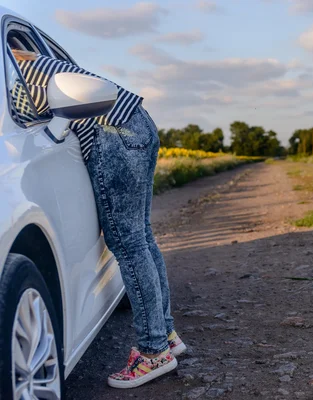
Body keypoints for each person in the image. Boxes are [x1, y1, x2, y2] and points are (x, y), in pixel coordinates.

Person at [10, 48, 187, 389]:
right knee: (140, 236)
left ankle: (154, 352)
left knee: (128, 240)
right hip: (134, 123)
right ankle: (165, 335)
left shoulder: (13, 73)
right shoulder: (27, 59)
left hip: (116, 133)